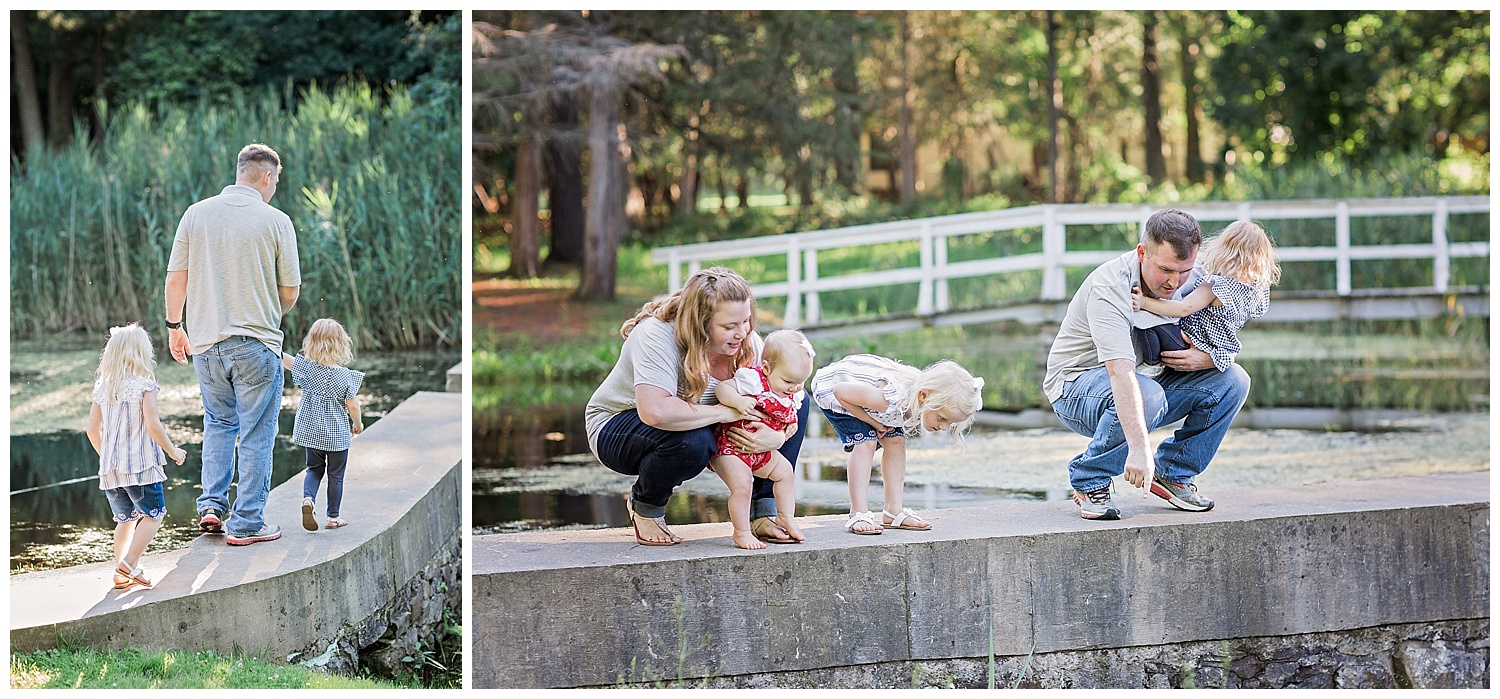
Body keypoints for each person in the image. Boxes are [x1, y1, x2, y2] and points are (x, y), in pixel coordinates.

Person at [1044, 208, 1252, 521]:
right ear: (1143, 252)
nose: (1175, 282)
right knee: (1148, 395)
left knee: (1233, 380)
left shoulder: (1193, 278)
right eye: (1166, 270)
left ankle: (1172, 473)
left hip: (1148, 380)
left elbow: (1231, 319)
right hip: (1076, 388)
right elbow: (1120, 372)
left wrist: (1209, 357)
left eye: (1184, 271)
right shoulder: (1110, 288)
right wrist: (1139, 449)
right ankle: (1089, 477)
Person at [585, 267, 808, 547]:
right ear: (701, 323)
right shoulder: (656, 336)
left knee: (796, 399)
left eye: (746, 321)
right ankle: (646, 506)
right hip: (618, 428)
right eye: (729, 327)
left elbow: (776, 403)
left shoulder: (747, 342)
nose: (741, 333)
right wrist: (725, 413)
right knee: (693, 440)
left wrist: (776, 436)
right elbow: (655, 412)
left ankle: (763, 513)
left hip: (701, 422)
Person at [164, 143, 300, 546]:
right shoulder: (276, 221)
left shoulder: (196, 214)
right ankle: (247, 524)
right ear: (267, 177)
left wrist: (175, 327)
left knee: (219, 424)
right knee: (257, 433)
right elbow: (289, 291)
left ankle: (210, 507)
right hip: (256, 344)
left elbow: (175, 280)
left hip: (205, 344)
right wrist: (269, 311)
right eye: (275, 180)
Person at [809, 355, 982, 535]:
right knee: (866, 442)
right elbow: (840, 391)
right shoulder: (887, 399)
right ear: (924, 396)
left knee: (897, 441)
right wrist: (872, 422)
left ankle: (893, 511)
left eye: (950, 423)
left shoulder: (915, 402)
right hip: (835, 389)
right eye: (942, 418)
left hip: (866, 401)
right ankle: (858, 512)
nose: (943, 427)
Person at [84, 324, 188, 590]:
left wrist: (107, 456)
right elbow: (153, 424)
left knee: (125, 520)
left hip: (111, 470)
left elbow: (91, 429)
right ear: (142, 353)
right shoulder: (145, 386)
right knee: (154, 515)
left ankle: (120, 574)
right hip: (141, 468)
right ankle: (129, 563)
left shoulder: (103, 388)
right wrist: (173, 451)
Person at [709, 329, 815, 550]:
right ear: (767, 368)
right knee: (743, 484)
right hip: (732, 447)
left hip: (761, 452)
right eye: (788, 381)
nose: (794, 388)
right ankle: (742, 532)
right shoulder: (754, 380)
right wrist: (738, 401)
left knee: (785, 472)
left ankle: (785, 516)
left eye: (800, 382)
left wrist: (790, 425)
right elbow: (722, 388)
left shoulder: (793, 391)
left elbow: (790, 413)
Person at [1132, 220, 1280, 375]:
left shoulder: (1216, 287)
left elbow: (1182, 309)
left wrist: (1144, 302)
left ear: (1225, 250)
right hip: (1212, 352)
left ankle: (1152, 365)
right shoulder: (1256, 292)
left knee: (1149, 324)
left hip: (1185, 343)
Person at [281, 318, 365, 532]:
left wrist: (270, 344)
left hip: (312, 432)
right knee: (336, 475)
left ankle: (308, 499)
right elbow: (353, 406)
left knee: (314, 469)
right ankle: (333, 517)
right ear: (341, 344)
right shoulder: (346, 376)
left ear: (311, 342)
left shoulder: (307, 369)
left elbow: (284, 359)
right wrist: (358, 424)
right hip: (336, 436)